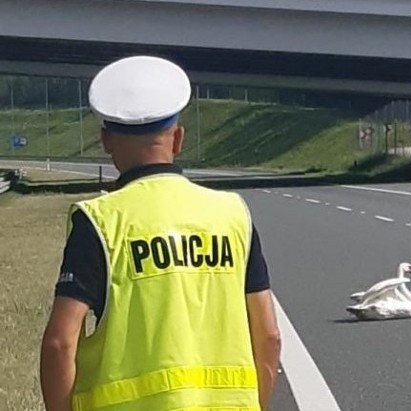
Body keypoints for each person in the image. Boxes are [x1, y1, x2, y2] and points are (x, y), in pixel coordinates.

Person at [39, 55, 281, 411]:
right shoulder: (232, 215)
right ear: (178, 138)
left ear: (106, 140)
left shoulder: (100, 222)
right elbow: (270, 337)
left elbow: (61, 343)